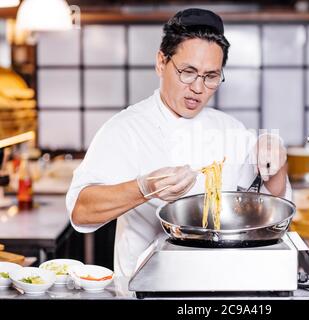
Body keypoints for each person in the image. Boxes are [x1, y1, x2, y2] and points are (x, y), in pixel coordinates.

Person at [66, 8, 292, 277]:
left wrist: (275, 162)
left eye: (211, 76)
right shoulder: (126, 129)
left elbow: (270, 204)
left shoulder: (229, 128)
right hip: (147, 286)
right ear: (162, 62)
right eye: (188, 72)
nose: (198, 88)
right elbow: (81, 212)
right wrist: (144, 188)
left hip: (222, 283)